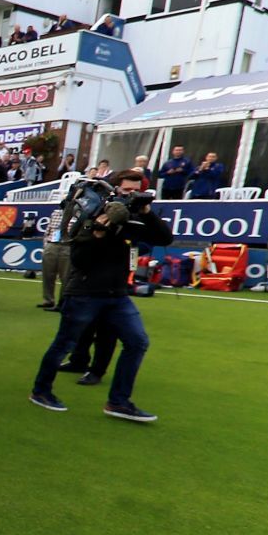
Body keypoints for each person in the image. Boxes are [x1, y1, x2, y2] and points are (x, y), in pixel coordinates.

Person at [30, 169, 174, 421]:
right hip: (84, 292)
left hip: (117, 294)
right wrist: (98, 233)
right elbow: (79, 259)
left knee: (138, 341)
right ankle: (41, 391)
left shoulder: (137, 216)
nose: (132, 195)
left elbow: (165, 238)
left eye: (136, 190)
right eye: (127, 190)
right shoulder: (92, 212)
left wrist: (147, 211)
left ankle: (118, 401)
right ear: (115, 188)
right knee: (65, 343)